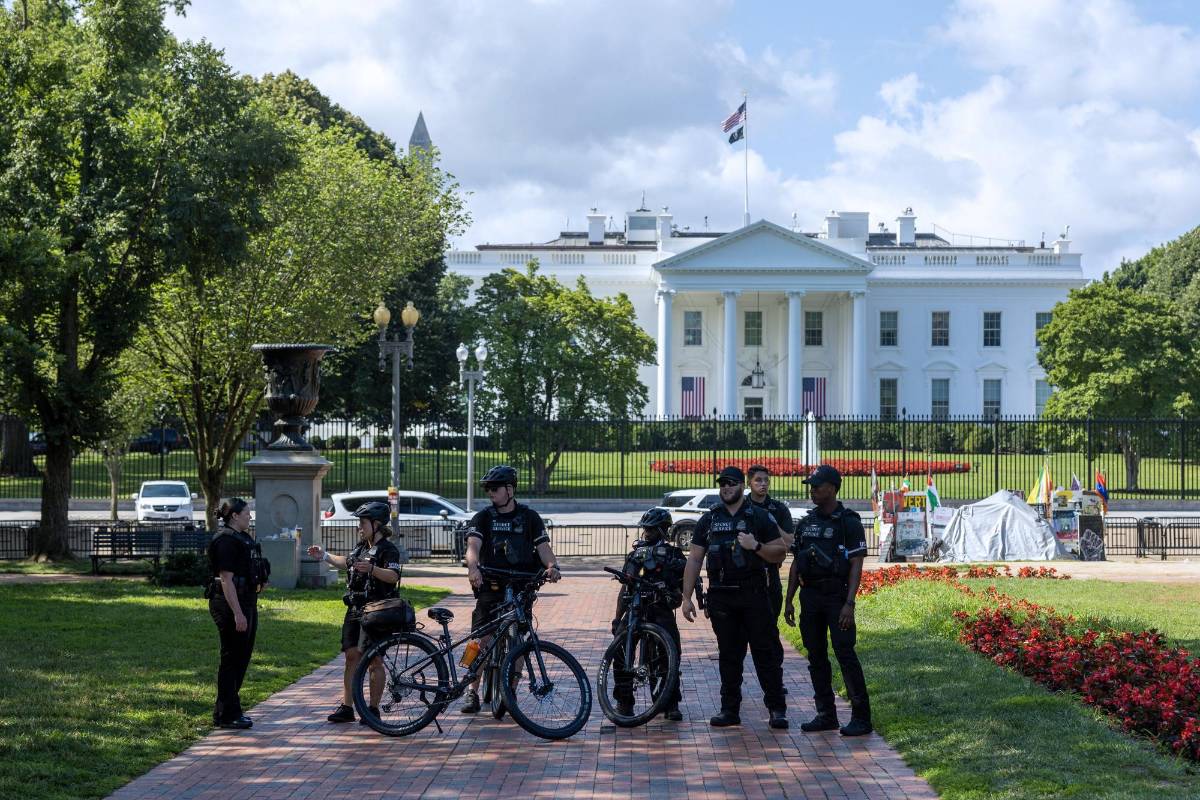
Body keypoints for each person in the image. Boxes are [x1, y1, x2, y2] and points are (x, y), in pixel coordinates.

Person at [681, 466, 789, 729]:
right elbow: (695, 558)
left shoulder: (759, 517)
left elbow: (781, 552)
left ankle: (776, 709)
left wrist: (756, 546)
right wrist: (686, 597)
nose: (726, 488)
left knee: (765, 653)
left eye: (731, 483)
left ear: (742, 486)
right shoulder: (709, 520)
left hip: (754, 594)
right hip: (721, 597)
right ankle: (729, 710)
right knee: (729, 655)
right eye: (723, 484)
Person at [461, 464, 561, 713]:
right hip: (490, 584)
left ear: (509, 489)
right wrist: (473, 567)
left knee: (519, 641)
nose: (490, 493)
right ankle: (470, 690)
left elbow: (543, 547)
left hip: (520, 586)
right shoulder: (483, 517)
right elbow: (473, 546)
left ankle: (511, 690)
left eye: (494, 488)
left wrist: (552, 566)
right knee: (479, 639)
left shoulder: (529, 517)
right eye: (487, 489)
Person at [783, 464, 872, 737]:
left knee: (845, 654)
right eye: (811, 486)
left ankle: (861, 717)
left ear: (832, 489)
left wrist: (849, 604)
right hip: (810, 597)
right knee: (816, 657)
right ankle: (825, 714)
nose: (812, 490)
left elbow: (856, 565)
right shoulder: (807, 523)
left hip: (836, 598)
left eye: (817, 486)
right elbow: (797, 563)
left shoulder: (849, 523)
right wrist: (789, 600)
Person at [307, 501, 401, 724]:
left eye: (363, 522)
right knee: (351, 657)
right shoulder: (361, 547)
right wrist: (324, 556)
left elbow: (393, 576)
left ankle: (372, 709)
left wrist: (372, 569)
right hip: (355, 608)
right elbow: (347, 562)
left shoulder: (389, 550)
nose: (359, 526)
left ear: (376, 524)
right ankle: (347, 707)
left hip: (378, 610)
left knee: (374, 660)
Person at [610, 507, 688, 721]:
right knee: (620, 650)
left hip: (660, 609)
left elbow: (681, 590)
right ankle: (624, 702)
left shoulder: (674, 554)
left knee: (670, 654)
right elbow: (625, 587)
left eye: (652, 529)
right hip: (635, 608)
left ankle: (669, 702)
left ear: (664, 530)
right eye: (646, 529)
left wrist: (678, 595)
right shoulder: (636, 553)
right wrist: (618, 618)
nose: (647, 533)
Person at [206, 497, 267, 729]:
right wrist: (238, 614)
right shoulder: (225, 541)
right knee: (232, 658)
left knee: (241, 657)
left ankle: (226, 710)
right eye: (246, 513)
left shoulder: (244, 539)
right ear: (234, 516)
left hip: (247, 600)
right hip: (230, 604)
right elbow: (226, 580)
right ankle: (227, 714)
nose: (249, 516)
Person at [746, 464, 795, 618]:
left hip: (770, 573)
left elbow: (789, 543)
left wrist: (772, 523)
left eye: (766, 480)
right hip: (745, 574)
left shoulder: (779, 509)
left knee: (769, 629)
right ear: (749, 483)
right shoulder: (741, 507)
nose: (763, 484)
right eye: (758, 480)